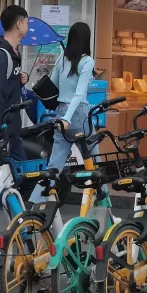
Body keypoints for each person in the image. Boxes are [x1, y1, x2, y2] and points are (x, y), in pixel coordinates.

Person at [32, 22, 96, 201]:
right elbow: (79, 94)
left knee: (54, 164)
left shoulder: (62, 58)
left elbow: (52, 85)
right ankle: (101, 200)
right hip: (79, 115)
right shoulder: (87, 61)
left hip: (60, 113)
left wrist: (63, 117)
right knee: (94, 161)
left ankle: (37, 202)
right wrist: (68, 117)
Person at [0, 4, 30, 158]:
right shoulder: (0, 56)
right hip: (1, 127)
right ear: (19, 24)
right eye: (26, 22)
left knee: (18, 167)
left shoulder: (13, 54)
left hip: (11, 125)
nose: (28, 26)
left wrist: (19, 80)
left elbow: (7, 85)